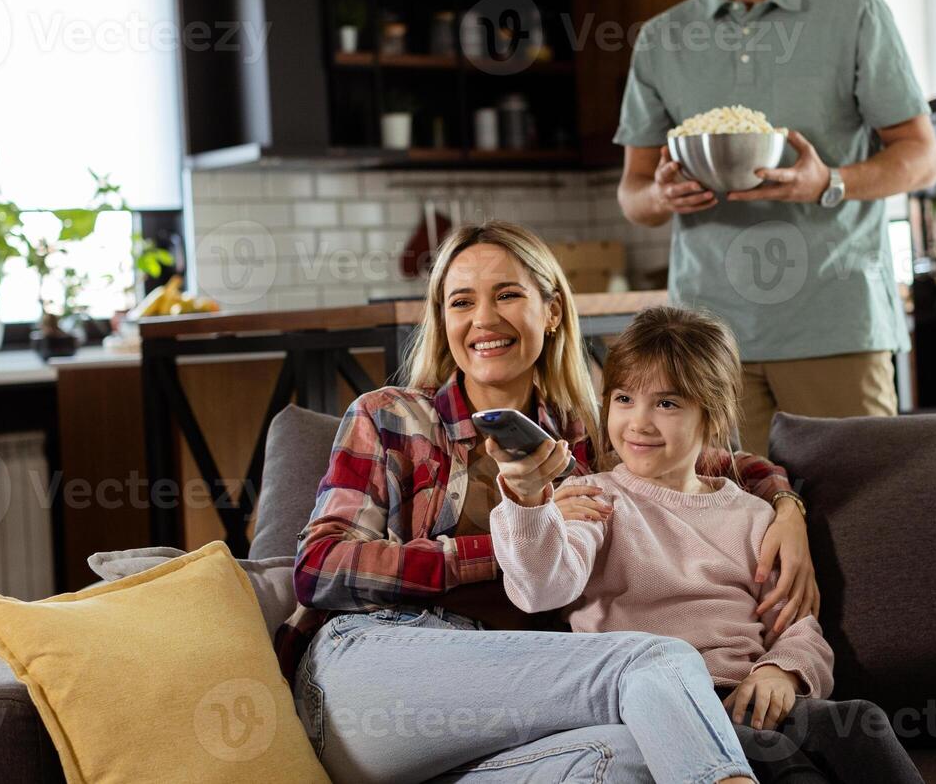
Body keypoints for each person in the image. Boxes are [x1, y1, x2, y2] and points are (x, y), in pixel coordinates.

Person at [280, 220, 817, 783]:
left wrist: (785, 506)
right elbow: (319, 568)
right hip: (376, 669)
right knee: (658, 660)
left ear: (552, 311)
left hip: (514, 697)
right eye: (461, 301)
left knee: (638, 755)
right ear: (444, 320)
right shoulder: (392, 415)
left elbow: (701, 460)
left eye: (507, 294)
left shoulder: (582, 433)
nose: (484, 319)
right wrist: (503, 547)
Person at [615, 0, 936, 457]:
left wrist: (832, 183)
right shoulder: (663, 38)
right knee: (727, 538)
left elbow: (920, 155)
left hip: (836, 324)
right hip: (707, 342)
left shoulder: (854, 13)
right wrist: (662, 194)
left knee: (862, 522)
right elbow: (632, 195)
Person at [491, 306, 924, 784]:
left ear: (712, 414)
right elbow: (541, 589)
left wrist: (783, 672)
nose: (639, 422)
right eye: (623, 398)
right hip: (663, 707)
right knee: (781, 762)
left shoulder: (754, 516)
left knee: (861, 723)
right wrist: (532, 507)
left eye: (668, 404)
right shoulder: (596, 500)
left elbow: (797, 627)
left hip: (752, 693)